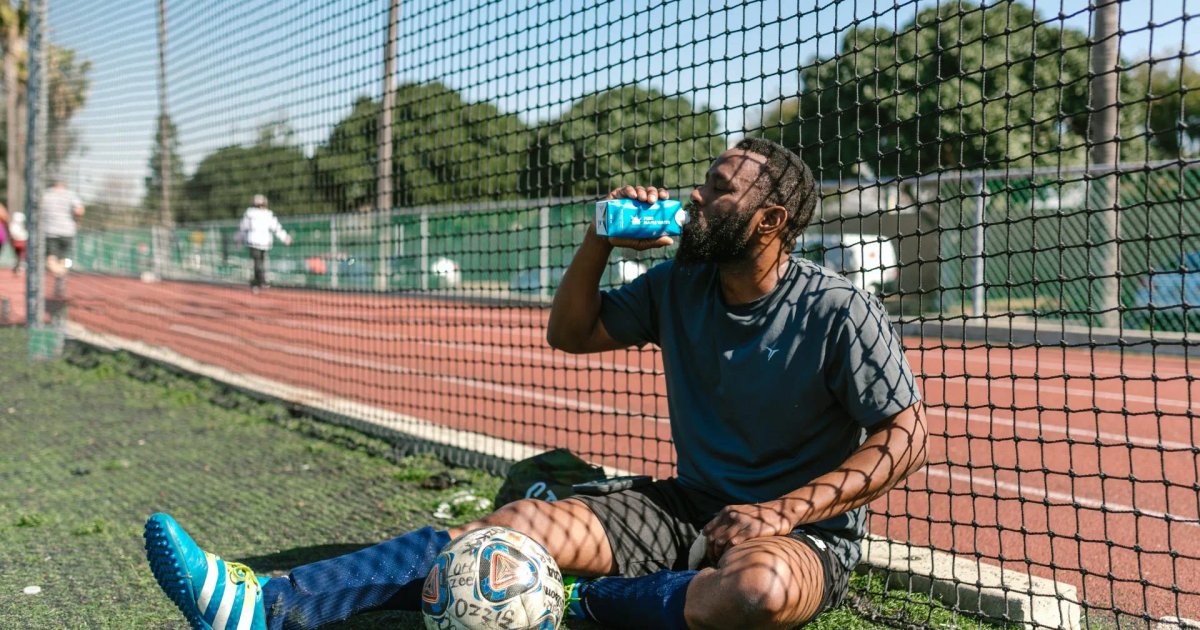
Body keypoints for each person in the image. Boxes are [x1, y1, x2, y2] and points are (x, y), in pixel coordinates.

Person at [143, 138, 926, 630]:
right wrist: (597, 236)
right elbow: (571, 335)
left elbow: (908, 434)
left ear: (771, 222)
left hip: (802, 537)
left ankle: (587, 603)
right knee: (508, 528)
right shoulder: (675, 285)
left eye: (720, 188)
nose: (696, 195)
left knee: (754, 593)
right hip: (686, 509)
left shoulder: (837, 307)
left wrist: (781, 513)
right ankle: (267, 604)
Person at [236, 194, 292, 293]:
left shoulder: (265, 214)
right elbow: (243, 229)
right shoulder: (252, 214)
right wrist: (239, 239)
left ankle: (259, 281)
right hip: (255, 243)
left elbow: (276, 227)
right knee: (258, 263)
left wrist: (285, 237)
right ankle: (259, 282)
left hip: (263, 243)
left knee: (260, 262)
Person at [41, 180, 84, 278]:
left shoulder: (46, 195)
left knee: (51, 258)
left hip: (50, 231)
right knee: (65, 258)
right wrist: (77, 221)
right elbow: (79, 211)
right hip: (68, 231)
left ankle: (58, 272)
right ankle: (62, 273)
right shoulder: (70, 195)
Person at [8, 205, 26, 275]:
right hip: (18, 243)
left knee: (20, 256)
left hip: (20, 242)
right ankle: (18, 266)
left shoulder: (18, 225)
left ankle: (18, 266)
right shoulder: (14, 225)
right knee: (19, 256)